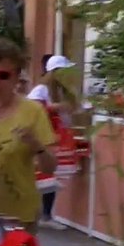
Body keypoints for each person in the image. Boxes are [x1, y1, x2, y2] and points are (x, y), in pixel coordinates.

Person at [0, 39, 57, 231]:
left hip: (18, 215)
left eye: (3, 75)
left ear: (16, 78)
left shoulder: (32, 111)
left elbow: (50, 167)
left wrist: (36, 146)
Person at [28, 54, 80, 230]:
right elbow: (33, 109)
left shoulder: (62, 90)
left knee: (50, 177)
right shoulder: (41, 89)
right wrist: (57, 108)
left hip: (58, 138)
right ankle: (36, 214)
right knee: (42, 176)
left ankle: (46, 214)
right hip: (44, 137)